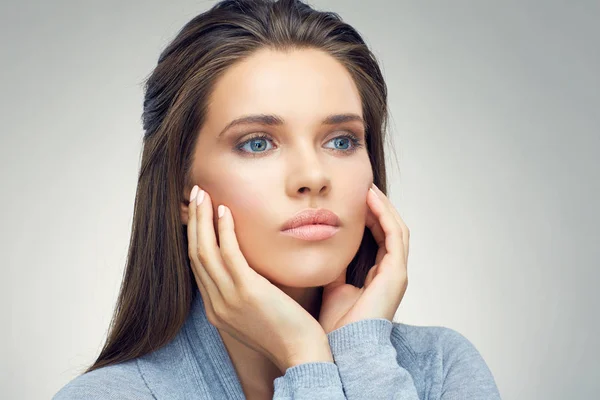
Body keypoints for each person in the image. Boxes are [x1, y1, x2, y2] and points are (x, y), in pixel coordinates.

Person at [54, 0, 502, 398]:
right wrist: (304, 355)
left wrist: (360, 355)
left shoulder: (442, 369)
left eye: (342, 141)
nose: (312, 176)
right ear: (180, 190)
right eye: (257, 143)